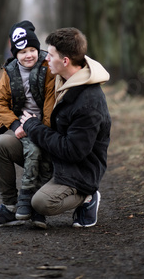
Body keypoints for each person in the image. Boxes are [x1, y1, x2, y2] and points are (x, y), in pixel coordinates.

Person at [20, 27, 111, 227]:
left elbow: (73, 150)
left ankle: (88, 196)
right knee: (3, 146)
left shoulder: (89, 102)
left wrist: (32, 126)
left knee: (41, 203)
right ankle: (11, 208)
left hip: (80, 170)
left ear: (65, 61)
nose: (46, 59)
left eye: (50, 55)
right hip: (57, 157)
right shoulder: (63, 79)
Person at [0, 20, 55, 229]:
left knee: (39, 150)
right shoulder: (9, 71)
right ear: (15, 54)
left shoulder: (48, 67)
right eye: (22, 51)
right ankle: (10, 206)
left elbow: (50, 102)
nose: (28, 55)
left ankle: (38, 206)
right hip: (22, 128)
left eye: (32, 49)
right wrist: (15, 126)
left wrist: (41, 130)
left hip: (46, 130)